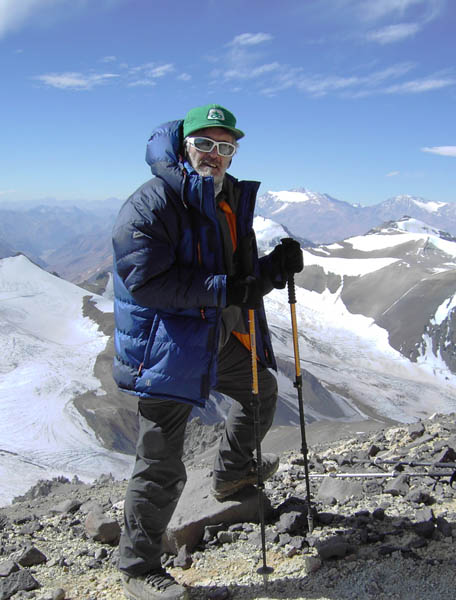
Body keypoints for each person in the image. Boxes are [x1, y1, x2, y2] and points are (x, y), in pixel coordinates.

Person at [111, 103, 303, 600]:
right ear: (184, 146)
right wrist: (224, 290)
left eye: (226, 146)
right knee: (160, 460)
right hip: (168, 346)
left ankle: (233, 475)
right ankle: (137, 570)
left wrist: (273, 269)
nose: (215, 154)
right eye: (205, 144)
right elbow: (146, 281)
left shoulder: (227, 200)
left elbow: (239, 278)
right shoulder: (152, 204)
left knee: (260, 393)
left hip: (215, 336)